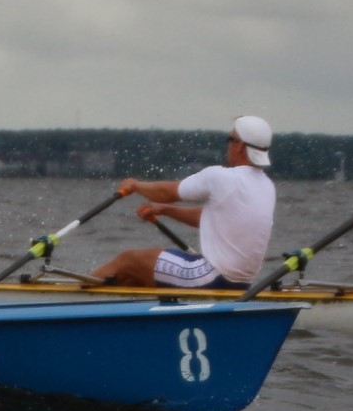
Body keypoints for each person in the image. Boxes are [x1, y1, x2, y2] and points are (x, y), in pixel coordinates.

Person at [89, 116, 277, 291]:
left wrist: (135, 186)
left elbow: (166, 192)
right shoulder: (267, 187)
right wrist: (166, 210)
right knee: (136, 275)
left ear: (239, 146)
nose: (227, 145)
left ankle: (70, 299)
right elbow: (215, 219)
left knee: (128, 261)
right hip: (242, 285)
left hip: (209, 277)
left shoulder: (220, 176)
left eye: (230, 139)